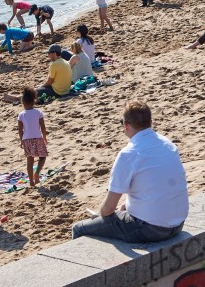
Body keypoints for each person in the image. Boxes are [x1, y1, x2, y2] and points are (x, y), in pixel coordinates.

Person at [71, 101, 189, 243]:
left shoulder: (129, 154)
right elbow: (154, 184)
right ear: (151, 121)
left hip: (151, 228)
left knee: (79, 228)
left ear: (126, 125)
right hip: (178, 224)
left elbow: (108, 209)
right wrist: (126, 207)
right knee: (123, 210)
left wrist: (103, 217)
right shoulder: (168, 144)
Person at [17, 87, 49, 188]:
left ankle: (31, 181)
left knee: (30, 161)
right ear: (33, 101)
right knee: (42, 157)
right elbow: (43, 127)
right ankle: (37, 173)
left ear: (23, 102)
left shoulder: (21, 115)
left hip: (27, 139)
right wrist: (44, 137)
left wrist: (21, 140)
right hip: (38, 138)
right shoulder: (38, 112)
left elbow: (20, 130)